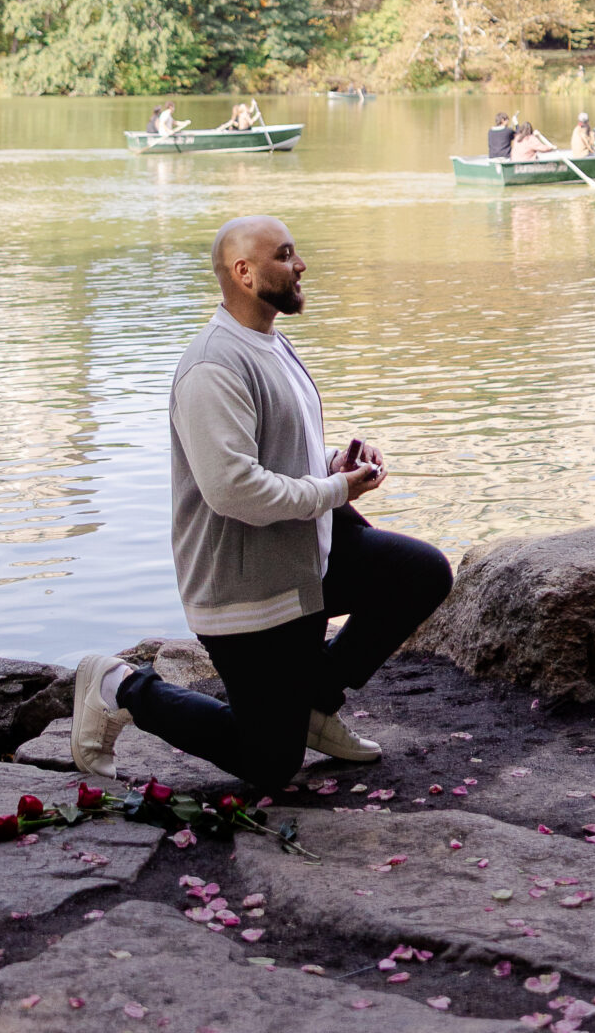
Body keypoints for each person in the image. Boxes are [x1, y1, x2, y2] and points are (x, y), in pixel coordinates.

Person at [69, 214, 452, 793]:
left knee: (420, 574)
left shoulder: (269, 341)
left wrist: (330, 465)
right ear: (244, 273)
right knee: (270, 763)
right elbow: (233, 489)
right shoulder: (212, 366)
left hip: (301, 552)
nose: (301, 265)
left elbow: (275, 448)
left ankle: (313, 706)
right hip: (246, 583)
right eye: (286, 255)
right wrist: (333, 492)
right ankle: (117, 686)